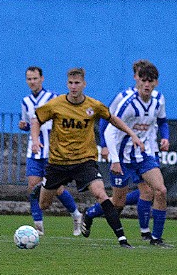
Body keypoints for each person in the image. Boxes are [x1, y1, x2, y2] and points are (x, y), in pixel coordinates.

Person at [30, 67, 144, 248]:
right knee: (44, 204)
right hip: (58, 162)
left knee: (101, 194)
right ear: (67, 84)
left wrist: (132, 134)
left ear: (84, 84)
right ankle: (43, 185)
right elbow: (36, 120)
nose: (74, 87)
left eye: (77, 83)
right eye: (70, 83)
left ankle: (122, 239)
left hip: (85, 161)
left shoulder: (93, 105)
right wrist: (35, 140)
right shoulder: (56, 104)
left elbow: (112, 118)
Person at [86, 60, 166, 240]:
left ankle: (153, 237)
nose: (146, 84)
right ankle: (91, 213)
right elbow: (108, 123)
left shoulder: (158, 100)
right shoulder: (125, 100)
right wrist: (108, 150)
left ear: (156, 82)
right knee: (118, 202)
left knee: (159, 190)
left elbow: (162, 121)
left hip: (144, 155)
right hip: (122, 156)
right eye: (142, 79)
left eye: (150, 80)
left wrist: (165, 137)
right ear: (136, 78)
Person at [19, 66, 82, 236]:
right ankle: (38, 227)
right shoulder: (25, 101)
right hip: (34, 151)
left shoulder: (53, 98)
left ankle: (76, 214)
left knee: (57, 188)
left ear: (42, 79)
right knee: (33, 187)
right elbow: (29, 124)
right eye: (29, 79)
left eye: (35, 78)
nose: (32, 82)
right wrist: (24, 126)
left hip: (53, 151)